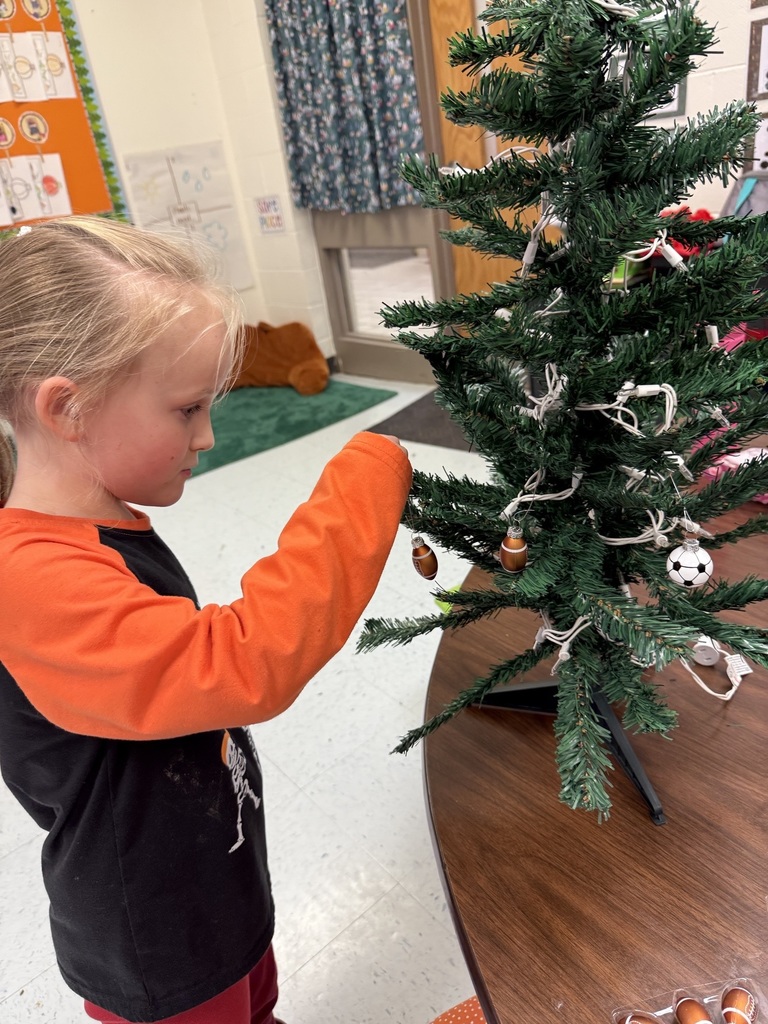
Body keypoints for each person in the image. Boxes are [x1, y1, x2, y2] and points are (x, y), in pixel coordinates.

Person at [0, 216, 412, 1024]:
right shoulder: (29, 579)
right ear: (67, 408)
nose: (209, 436)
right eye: (187, 410)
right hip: (156, 942)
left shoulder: (101, 527)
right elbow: (238, 663)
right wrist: (369, 471)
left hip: (208, 877)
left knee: (256, 1000)